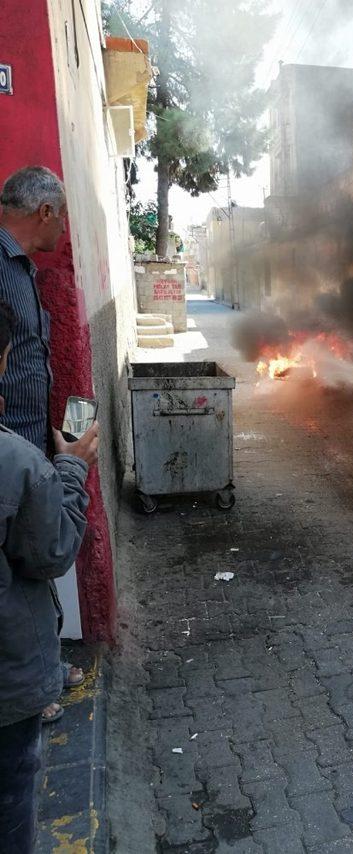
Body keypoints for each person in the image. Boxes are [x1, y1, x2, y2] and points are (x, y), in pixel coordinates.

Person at [0, 300, 99, 853]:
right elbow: (52, 552)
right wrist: (72, 467)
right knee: (12, 799)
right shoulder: (15, 461)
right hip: (7, 678)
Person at [0, 165, 84, 721]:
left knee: (33, 570)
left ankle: (45, 669)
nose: (65, 231)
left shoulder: (21, 268)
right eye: (63, 217)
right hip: (10, 452)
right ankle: (26, 694)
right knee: (26, 570)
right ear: (45, 212)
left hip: (27, 446)